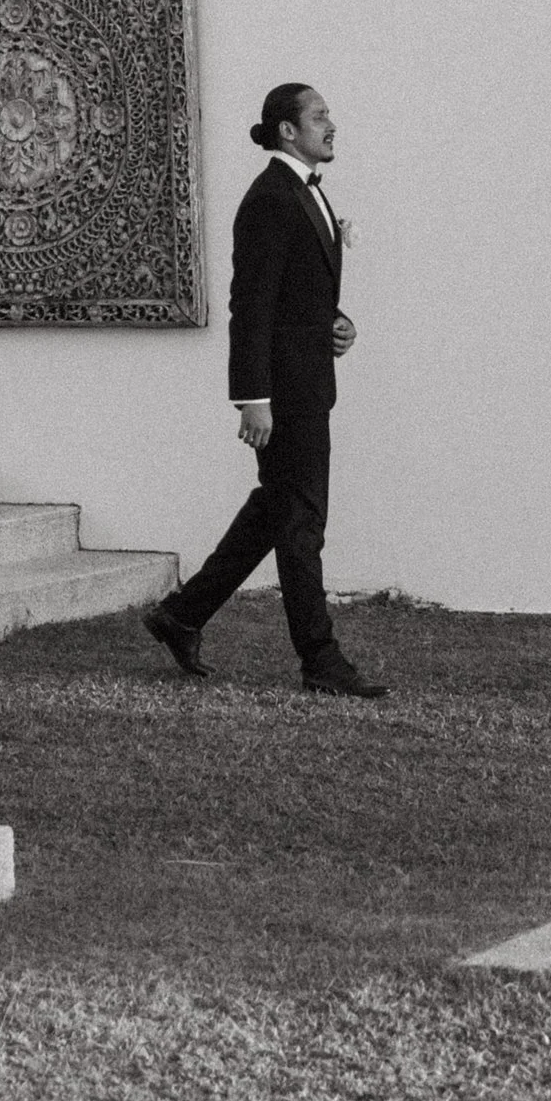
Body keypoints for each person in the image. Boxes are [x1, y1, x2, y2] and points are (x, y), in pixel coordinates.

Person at [141, 80, 386, 699]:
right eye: (320, 116)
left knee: (274, 514)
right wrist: (252, 397)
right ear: (288, 130)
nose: (332, 124)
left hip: (309, 383)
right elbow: (249, 305)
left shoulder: (304, 192)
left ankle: (182, 615)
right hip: (283, 393)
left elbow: (295, 295)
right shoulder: (270, 199)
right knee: (301, 524)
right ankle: (320, 660)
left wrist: (336, 323)